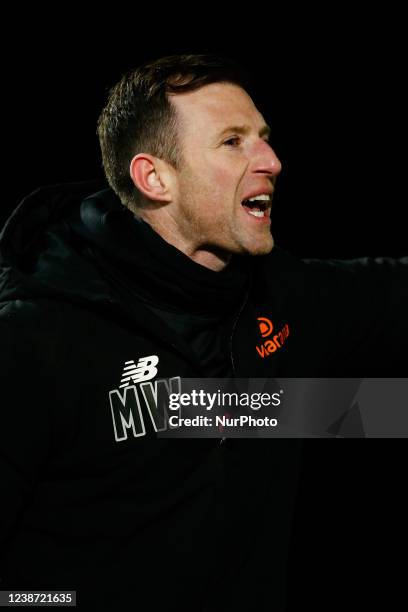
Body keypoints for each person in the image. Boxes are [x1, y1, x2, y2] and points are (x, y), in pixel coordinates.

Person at [0, 54, 406, 611]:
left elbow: (229, 418)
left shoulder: (283, 294)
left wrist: (368, 413)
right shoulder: (35, 340)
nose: (272, 159)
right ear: (155, 178)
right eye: (233, 142)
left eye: (263, 137)